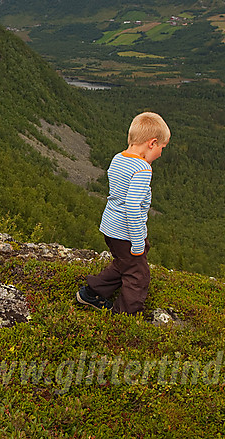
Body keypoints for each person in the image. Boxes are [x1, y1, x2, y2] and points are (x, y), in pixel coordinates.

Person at [76, 112, 170, 315]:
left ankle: (91, 293)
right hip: (126, 233)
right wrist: (137, 242)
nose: (161, 153)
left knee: (123, 264)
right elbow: (132, 207)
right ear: (152, 143)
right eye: (162, 147)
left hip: (110, 227)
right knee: (138, 275)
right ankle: (125, 316)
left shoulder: (118, 158)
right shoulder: (143, 169)